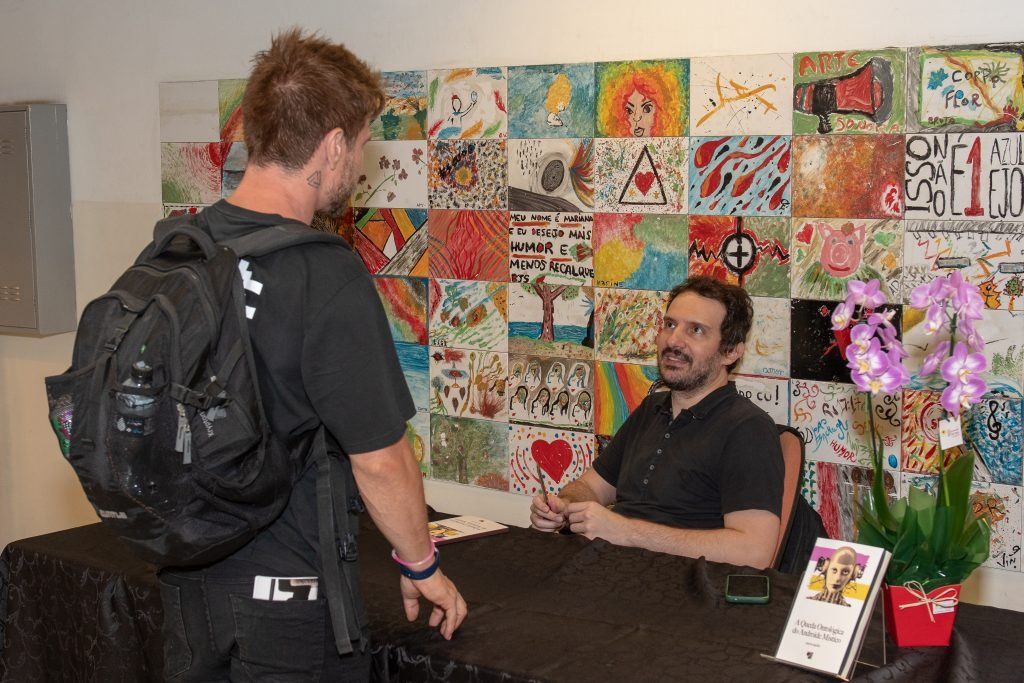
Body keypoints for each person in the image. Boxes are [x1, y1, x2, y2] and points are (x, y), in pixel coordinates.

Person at [158, 28, 466, 681]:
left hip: (189, 591)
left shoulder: (175, 248)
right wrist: (422, 565)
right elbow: (380, 460)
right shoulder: (323, 273)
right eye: (357, 147)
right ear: (330, 146)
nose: (356, 166)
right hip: (288, 603)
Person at [530, 276, 784, 569]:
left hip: (683, 593)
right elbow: (592, 488)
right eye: (670, 324)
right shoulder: (653, 408)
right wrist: (563, 507)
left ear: (731, 352)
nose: (674, 340)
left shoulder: (748, 428)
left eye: (696, 330)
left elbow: (754, 552)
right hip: (610, 570)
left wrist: (627, 532)